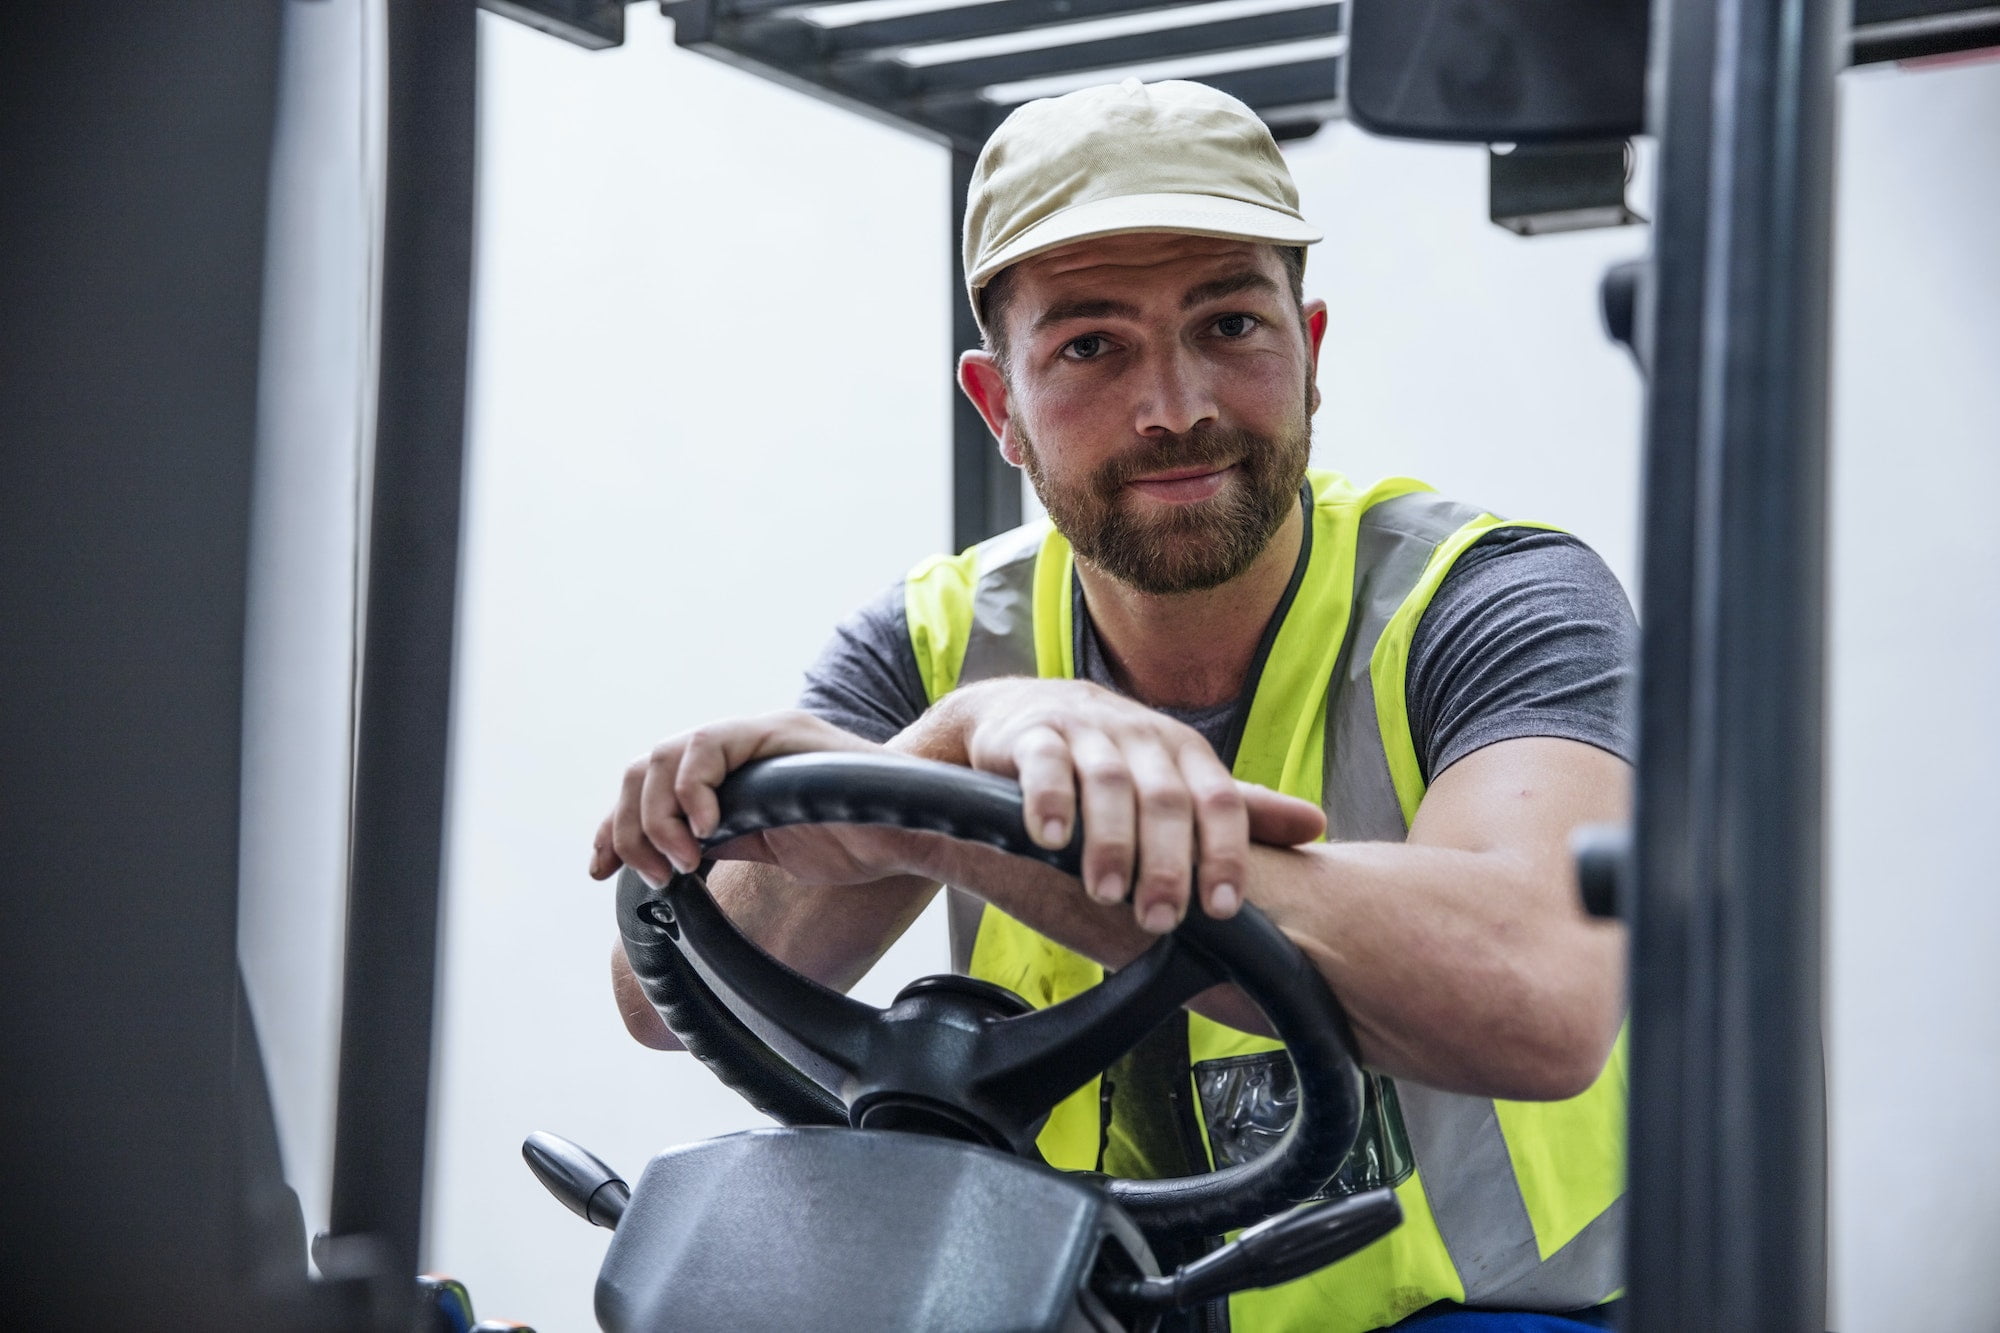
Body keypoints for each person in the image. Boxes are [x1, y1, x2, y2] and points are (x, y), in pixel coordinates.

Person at [589, 79, 1633, 1333]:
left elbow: (1535, 998)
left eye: (1231, 326)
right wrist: (951, 749)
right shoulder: (929, 642)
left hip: (1490, 1319)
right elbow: (665, 991)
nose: (1177, 406)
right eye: (1089, 347)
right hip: (1070, 1303)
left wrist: (941, 815)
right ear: (1000, 410)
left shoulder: (1493, 600)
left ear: (1308, 352)